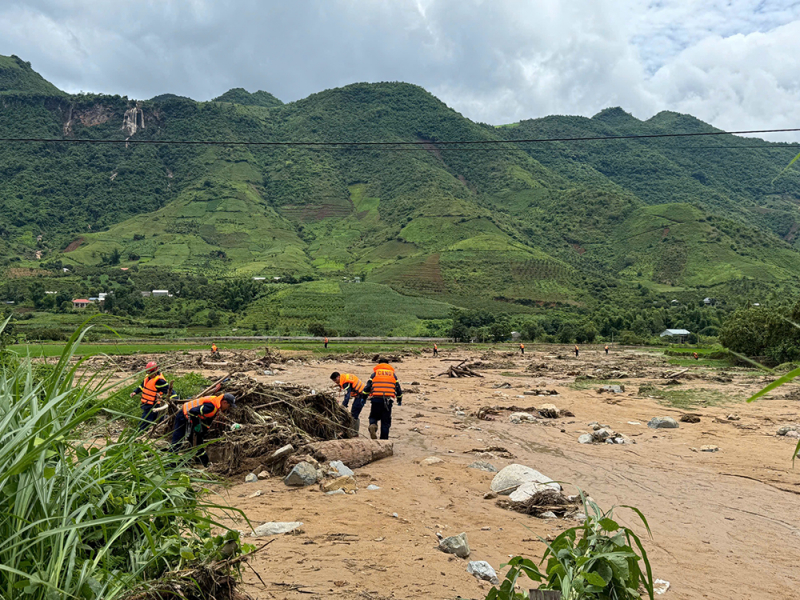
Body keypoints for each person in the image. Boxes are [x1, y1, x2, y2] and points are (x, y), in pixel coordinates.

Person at [171, 393, 235, 467]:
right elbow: (192, 411)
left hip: (191, 418)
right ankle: (171, 462)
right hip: (184, 416)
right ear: (224, 402)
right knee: (178, 439)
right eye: (229, 406)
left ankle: (200, 461)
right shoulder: (211, 406)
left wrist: (203, 430)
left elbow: (207, 419)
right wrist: (197, 424)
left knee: (198, 440)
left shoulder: (216, 404)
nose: (228, 408)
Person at [130, 361, 176, 431]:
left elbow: (169, 391)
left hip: (153, 405)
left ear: (156, 370)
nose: (149, 374)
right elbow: (142, 387)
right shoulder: (147, 378)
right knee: (158, 418)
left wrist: (174, 399)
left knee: (145, 421)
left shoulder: (159, 381)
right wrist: (135, 392)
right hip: (146, 404)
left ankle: (139, 433)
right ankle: (168, 420)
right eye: (148, 373)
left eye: (151, 373)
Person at [362, 362, 403, 440]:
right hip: (387, 401)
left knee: (373, 416)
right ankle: (384, 442)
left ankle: (373, 425)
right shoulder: (393, 375)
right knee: (385, 422)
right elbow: (398, 389)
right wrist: (399, 399)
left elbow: (367, 387)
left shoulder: (374, 374)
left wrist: (363, 398)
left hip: (376, 400)